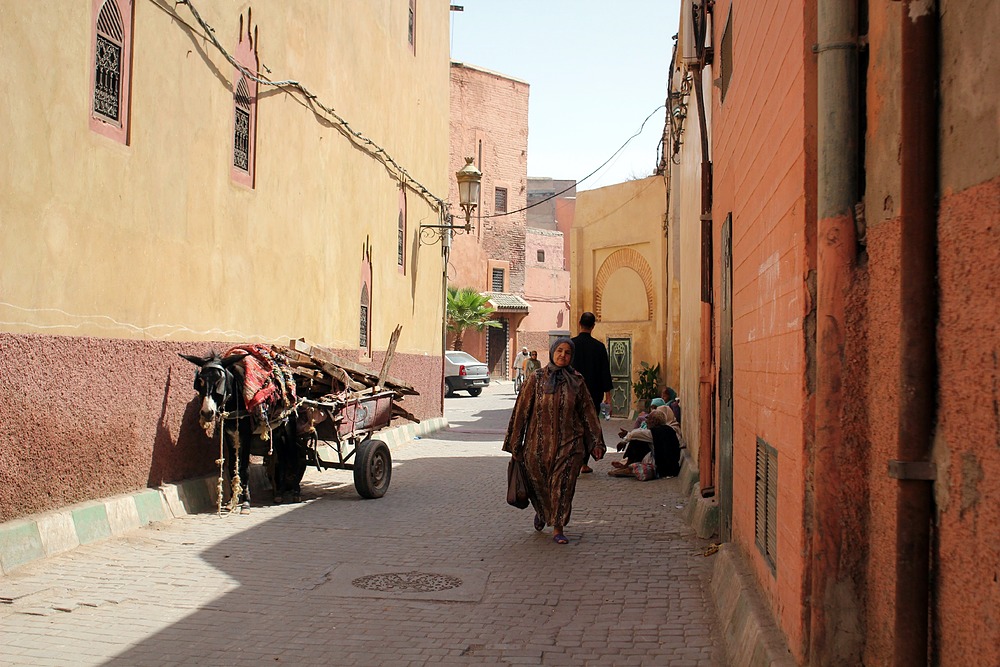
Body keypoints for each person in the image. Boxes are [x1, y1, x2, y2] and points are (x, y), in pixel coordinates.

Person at [502, 337, 607, 545]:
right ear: (552, 352)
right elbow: (522, 411)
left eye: (567, 353)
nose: (563, 356)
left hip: (570, 444)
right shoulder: (536, 379)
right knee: (539, 484)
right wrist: (516, 444)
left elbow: (588, 413)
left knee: (563, 486)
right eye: (559, 351)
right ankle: (544, 511)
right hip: (537, 445)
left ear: (572, 356)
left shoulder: (577, 381)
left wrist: (596, 441)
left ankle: (558, 527)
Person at [571, 312, 613, 474]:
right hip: (593, 395)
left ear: (579, 323)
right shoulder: (599, 347)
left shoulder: (571, 345)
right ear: (593, 326)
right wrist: (608, 396)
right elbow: (605, 373)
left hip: (573, 393)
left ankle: (572, 460)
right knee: (589, 427)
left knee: (574, 426)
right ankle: (584, 463)